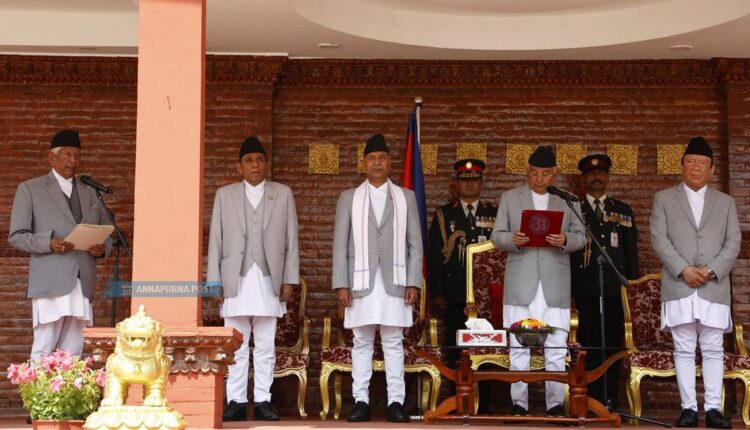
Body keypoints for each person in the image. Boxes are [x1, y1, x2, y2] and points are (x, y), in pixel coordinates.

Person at [207, 136, 300, 422]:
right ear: (240, 167)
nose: (255, 164)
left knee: (265, 344)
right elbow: (215, 240)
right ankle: (235, 401)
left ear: (266, 164)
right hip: (235, 277)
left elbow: (291, 240)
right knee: (235, 343)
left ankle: (262, 400)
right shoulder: (224, 195)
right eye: (249, 160)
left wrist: (289, 280)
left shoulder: (282, 193)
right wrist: (214, 281)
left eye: (259, 160)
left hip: (269, 278)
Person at [331, 134, 422, 423]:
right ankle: (361, 401)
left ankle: (396, 403)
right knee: (361, 342)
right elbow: (340, 244)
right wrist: (341, 284)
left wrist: (413, 281)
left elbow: (415, 243)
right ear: (364, 163)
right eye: (372, 158)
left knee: (394, 341)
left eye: (382, 158)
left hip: (396, 281)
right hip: (360, 282)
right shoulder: (349, 197)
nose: (377, 163)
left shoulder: (406, 197)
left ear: (390, 163)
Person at [490, 145, 585, 418]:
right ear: (527, 173)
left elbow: (581, 237)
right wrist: (513, 239)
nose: (539, 179)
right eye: (534, 173)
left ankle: (554, 404)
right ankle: (519, 404)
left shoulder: (568, 200)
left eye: (545, 174)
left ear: (554, 174)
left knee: (556, 345)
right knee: (519, 345)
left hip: (555, 282)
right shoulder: (511, 197)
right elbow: (497, 236)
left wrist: (565, 239)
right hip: (521, 281)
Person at [650, 136, 739, 429]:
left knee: (713, 347)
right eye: (691, 162)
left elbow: (733, 242)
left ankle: (713, 409)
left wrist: (711, 270)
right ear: (682, 166)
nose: (696, 167)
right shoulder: (664, 199)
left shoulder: (725, 202)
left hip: (714, 286)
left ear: (712, 169)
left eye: (702, 163)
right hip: (679, 284)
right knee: (684, 347)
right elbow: (659, 239)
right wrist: (683, 269)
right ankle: (688, 409)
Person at [8, 129, 112, 360]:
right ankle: (37, 385)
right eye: (67, 155)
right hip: (50, 280)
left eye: (77, 156)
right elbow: (17, 235)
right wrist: (48, 243)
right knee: (44, 345)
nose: (73, 161)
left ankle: (70, 385)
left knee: (74, 349)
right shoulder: (30, 189)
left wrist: (101, 248)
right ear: (51, 157)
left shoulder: (90, 192)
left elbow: (107, 232)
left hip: (82, 281)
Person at [570, 154, 639, 408]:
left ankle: (609, 400)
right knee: (588, 347)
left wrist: (631, 291)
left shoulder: (622, 210)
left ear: (608, 178)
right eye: (591, 174)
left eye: (601, 173)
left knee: (612, 347)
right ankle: (589, 401)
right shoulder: (574, 210)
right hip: (585, 291)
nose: (597, 177)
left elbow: (631, 255)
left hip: (614, 291)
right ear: (583, 179)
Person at [427, 159, 496, 376]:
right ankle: (456, 392)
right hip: (455, 291)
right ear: (457, 184)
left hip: (486, 294)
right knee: (456, 346)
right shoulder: (444, 214)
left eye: (474, 179)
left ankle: (483, 393)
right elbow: (434, 254)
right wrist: (438, 293)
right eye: (465, 180)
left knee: (485, 347)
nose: (470, 184)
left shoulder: (493, 213)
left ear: (481, 183)